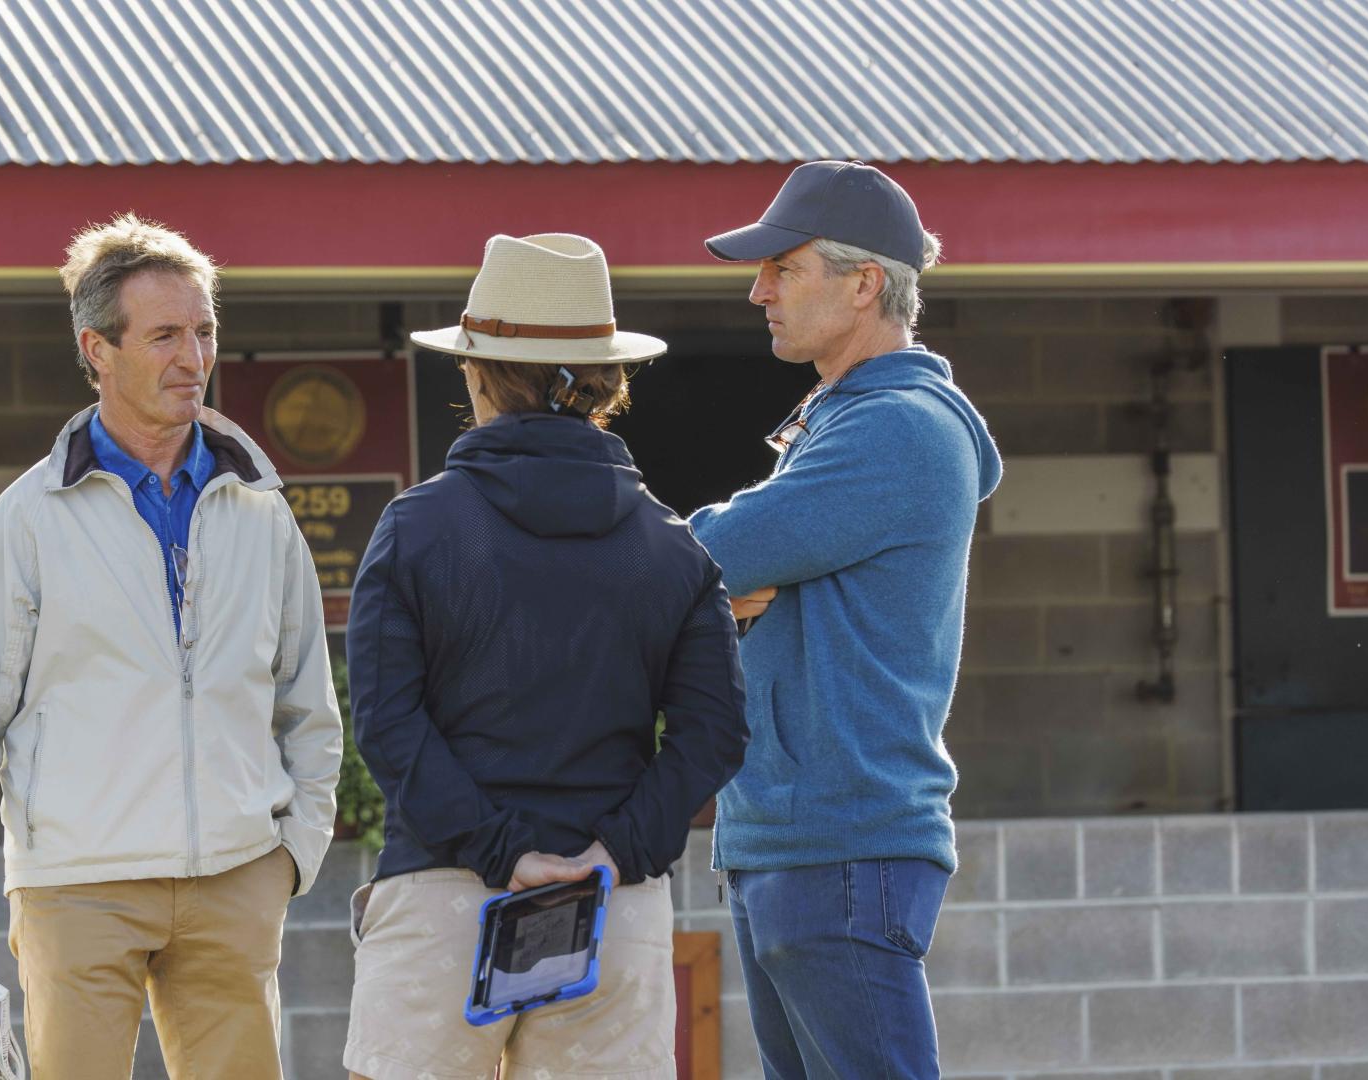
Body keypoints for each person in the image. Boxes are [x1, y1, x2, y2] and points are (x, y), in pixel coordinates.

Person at [0, 214, 341, 1079]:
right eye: (164, 336)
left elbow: (308, 700)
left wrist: (292, 855)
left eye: (204, 331)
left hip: (235, 879)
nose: (194, 357)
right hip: (77, 887)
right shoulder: (28, 520)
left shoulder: (261, 510)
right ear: (97, 350)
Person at [342, 232, 750, 1080]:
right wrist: (616, 852)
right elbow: (715, 735)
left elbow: (387, 722)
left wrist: (502, 852)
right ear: (608, 382)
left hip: (443, 896)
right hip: (610, 907)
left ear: (477, 373)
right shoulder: (675, 546)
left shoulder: (416, 527)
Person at [690, 161, 1003, 1078]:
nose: (759, 292)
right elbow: (718, 566)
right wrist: (722, 583)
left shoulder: (897, 425)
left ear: (865, 283)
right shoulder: (847, 418)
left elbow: (707, 555)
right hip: (799, 840)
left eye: (783, 269)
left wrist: (720, 579)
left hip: (840, 842)